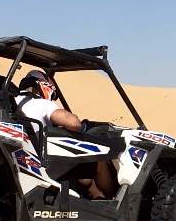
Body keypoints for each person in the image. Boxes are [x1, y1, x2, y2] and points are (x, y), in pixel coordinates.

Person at [15, 70, 117, 199]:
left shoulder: (14, 101)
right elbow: (74, 124)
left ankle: (94, 201)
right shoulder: (42, 104)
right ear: (43, 86)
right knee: (98, 159)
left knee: (85, 177)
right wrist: (82, 126)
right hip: (43, 163)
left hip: (23, 159)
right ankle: (112, 199)